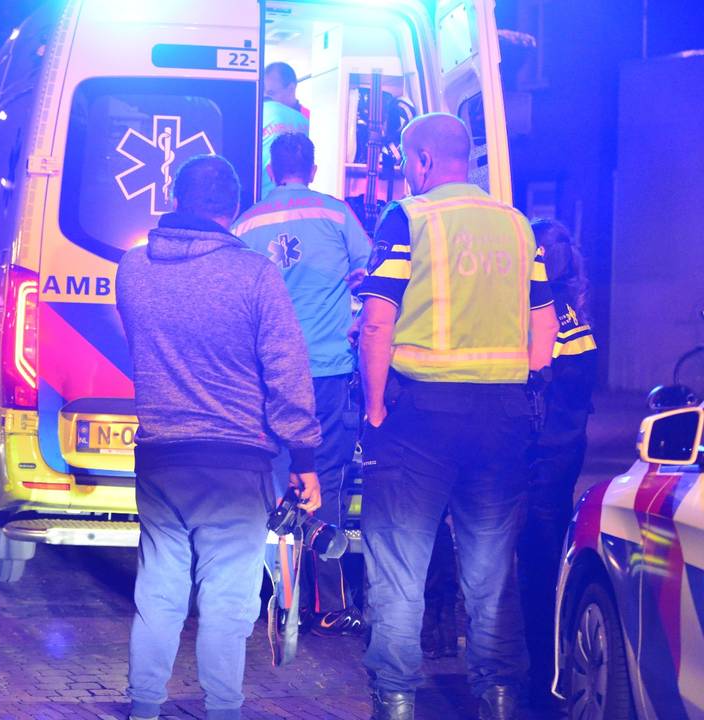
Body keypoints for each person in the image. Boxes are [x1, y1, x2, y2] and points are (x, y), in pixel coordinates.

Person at [354, 113, 560, 720]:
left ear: (420, 161)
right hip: (500, 421)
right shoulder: (518, 225)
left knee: (398, 565)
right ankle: (499, 698)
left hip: (419, 419)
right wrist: (525, 390)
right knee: (492, 571)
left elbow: (376, 320)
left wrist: (373, 407)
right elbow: (544, 327)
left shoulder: (410, 217)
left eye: (403, 162)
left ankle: (394, 702)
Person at [116, 154, 323, 720]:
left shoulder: (132, 270)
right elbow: (287, 371)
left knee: (159, 590)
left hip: (160, 456)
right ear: (233, 209)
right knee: (227, 601)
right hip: (237, 463)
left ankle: (145, 707)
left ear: (176, 198)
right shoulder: (256, 274)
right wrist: (304, 456)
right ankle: (224, 711)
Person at [233, 132, 371, 636]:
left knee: (269, 481)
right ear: (312, 168)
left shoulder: (246, 222)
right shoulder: (337, 216)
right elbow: (370, 274)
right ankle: (327, 602)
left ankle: (266, 597)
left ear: (271, 169)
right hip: (327, 371)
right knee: (326, 480)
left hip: (268, 375)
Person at [517, 218, 598, 706]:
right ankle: (549, 673)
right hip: (563, 451)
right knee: (543, 564)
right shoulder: (572, 311)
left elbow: (534, 383)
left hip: (543, 456)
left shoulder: (540, 312)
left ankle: (541, 685)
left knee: (537, 570)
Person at [261, 62, 311, 198]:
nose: (265, 98)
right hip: (268, 197)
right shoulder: (259, 115)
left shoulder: (311, 118)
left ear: (291, 88)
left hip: (298, 198)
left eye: (271, 93)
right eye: (263, 93)